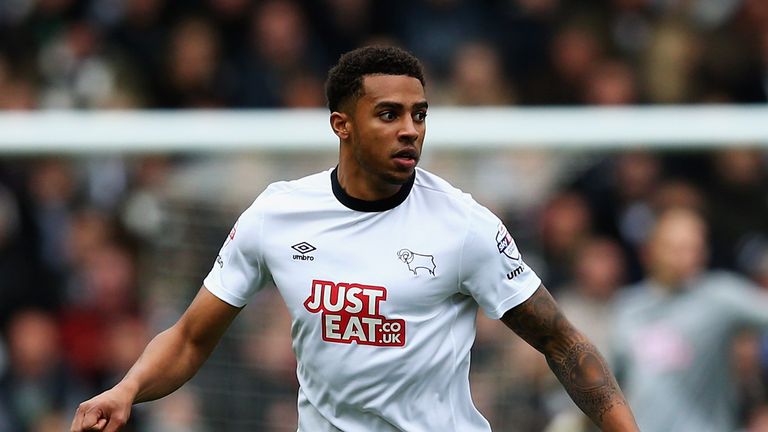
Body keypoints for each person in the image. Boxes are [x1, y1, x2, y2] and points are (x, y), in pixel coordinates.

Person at [70, 46, 638, 432]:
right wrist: (127, 389)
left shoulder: (464, 225)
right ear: (342, 124)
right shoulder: (278, 214)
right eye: (388, 114)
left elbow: (562, 341)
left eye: (419, 114)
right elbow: (192, 338)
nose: (409, 129)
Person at [611, 207, 768, 432]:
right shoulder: (628, 307)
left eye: (694, 248)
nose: (687, 257)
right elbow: (610, 380)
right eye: (676, 248)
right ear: (650, 250)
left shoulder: (719, 297)